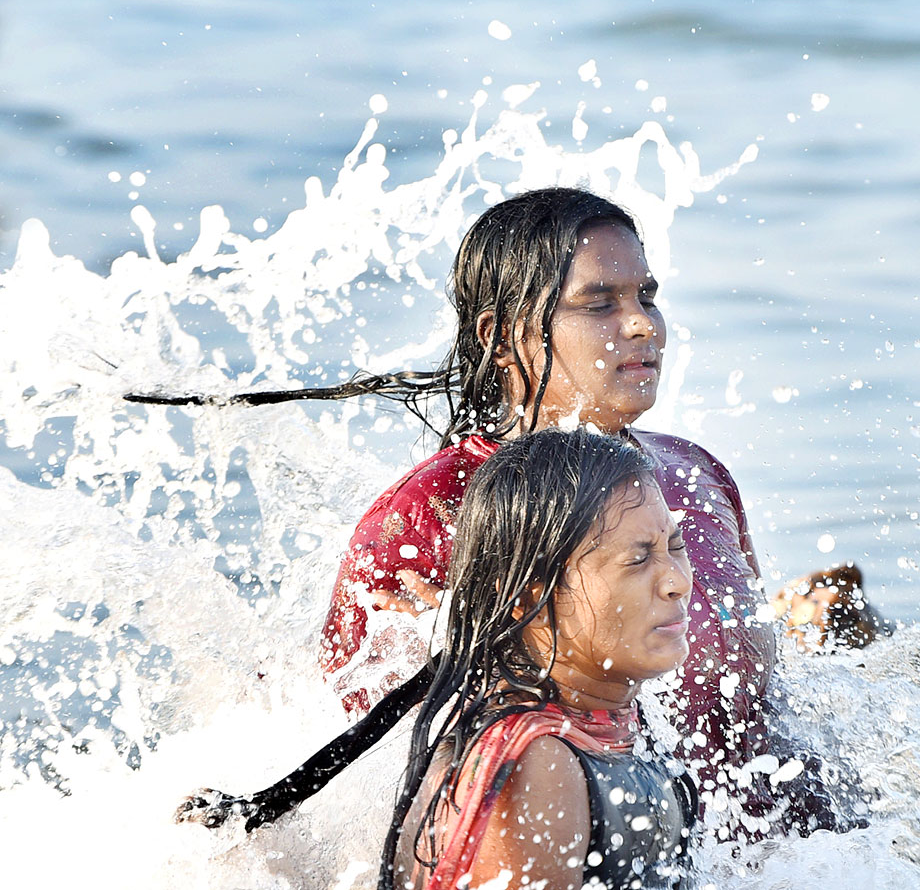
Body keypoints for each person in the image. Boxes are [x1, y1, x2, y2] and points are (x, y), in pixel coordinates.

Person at [316, 187, 864, 836]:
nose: (642, 325)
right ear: (503, 336)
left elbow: (747, 696)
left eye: (647, 298)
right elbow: (357, 787)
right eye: (600, 303)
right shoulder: (430, 516)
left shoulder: (695, 473)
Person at [179, 430, 699, 890]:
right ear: (528, 596)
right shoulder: (535, 768)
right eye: (637, 560)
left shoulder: (604, 720)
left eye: (674, 545)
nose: (677, 579)